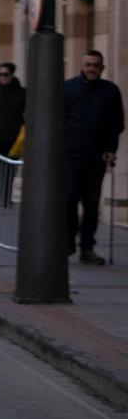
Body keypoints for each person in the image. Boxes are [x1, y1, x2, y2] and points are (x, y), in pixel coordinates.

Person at [64, 50, 124, 265]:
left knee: (91, 206)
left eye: (95, 65)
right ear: (82, 65)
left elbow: (116, 124)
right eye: (88, 64)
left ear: (102, 67)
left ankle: (87, 248)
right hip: (70, 157)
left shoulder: (110, 91)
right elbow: (59, 120)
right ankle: (68, 241)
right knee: (69, 200)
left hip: (96, 159)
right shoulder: (68, 88)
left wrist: (111, 149)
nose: (91, 68)